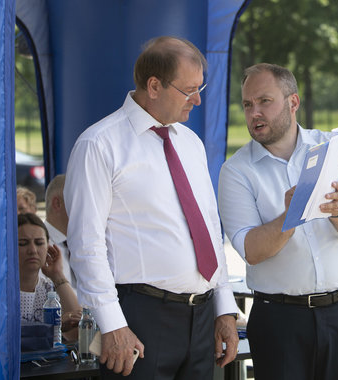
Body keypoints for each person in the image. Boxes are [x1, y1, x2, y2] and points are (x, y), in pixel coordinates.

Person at [64, 36, 239, 379]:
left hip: (201, 318)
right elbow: (86, 244)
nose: (198, 100)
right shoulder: (99, 144)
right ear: (154, 86)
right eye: (189, 90)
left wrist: (224, 309)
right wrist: (111, 323)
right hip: (139, 318)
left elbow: (209, 231)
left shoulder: (190, 143)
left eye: (200, 87)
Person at [218, 63, 338, 380]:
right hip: (279, 319)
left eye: (264, 101)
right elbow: (251, 250)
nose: (254, 113)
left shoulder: (334, 148)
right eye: (247, 104)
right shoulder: (236, 171)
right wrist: (291, 216)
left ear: (293, 102)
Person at [18, 213, 81, 341]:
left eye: (39, 243)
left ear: (48, 246)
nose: (33, 250)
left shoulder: (48, 287)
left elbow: (77, 332)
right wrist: (55, 326)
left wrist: (57, 275)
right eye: (23, 243)